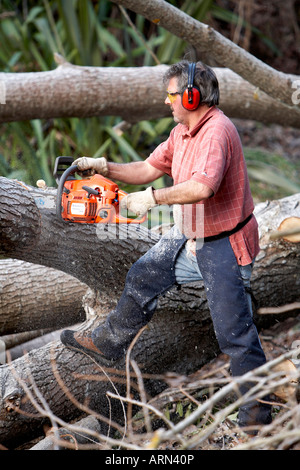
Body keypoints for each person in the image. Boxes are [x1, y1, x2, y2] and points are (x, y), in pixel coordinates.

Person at [61, 60, 272, 429]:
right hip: (189, 235)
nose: (167, 101)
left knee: (235, 335)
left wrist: (152, 199)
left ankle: (256, 421)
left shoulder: (216, 132)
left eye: (172, 94)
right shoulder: (182, 134)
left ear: (192, 96)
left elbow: (202, 187)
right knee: (144, 273)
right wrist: (104, 166)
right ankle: (109, 342)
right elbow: (146, 169)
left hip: (223, 244)